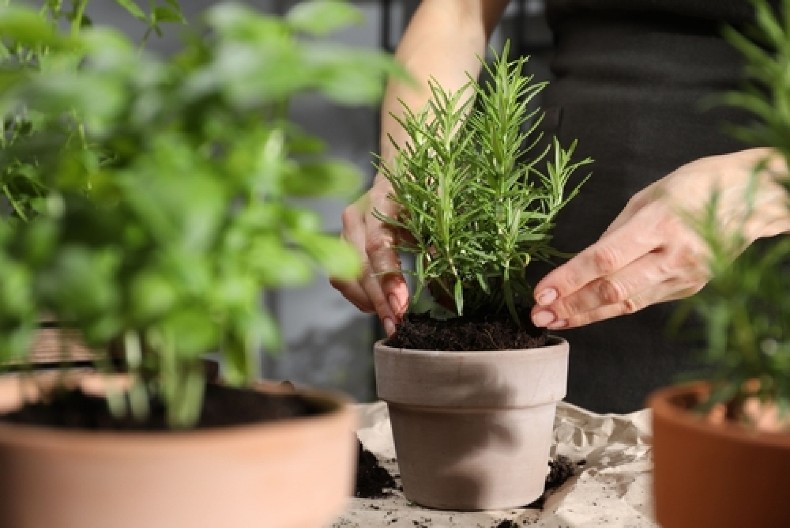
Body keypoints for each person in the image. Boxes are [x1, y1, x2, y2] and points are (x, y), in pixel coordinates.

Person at [330, 0, 790, 412]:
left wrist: (764, 185)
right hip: (557, 272)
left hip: (758, 298)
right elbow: (458, 12)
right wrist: (412, 166)